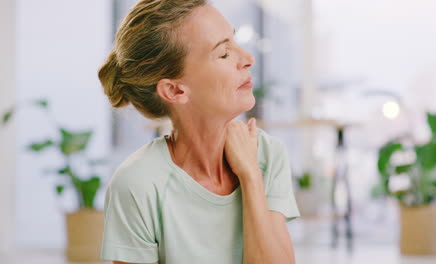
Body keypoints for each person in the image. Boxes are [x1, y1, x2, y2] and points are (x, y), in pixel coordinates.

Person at [97, 0, 300, 263]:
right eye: (224, 53)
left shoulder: (266, 155)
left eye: (234, 41)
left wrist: (250, 175)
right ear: (175, 90)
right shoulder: (138, 183)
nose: (248, 59)